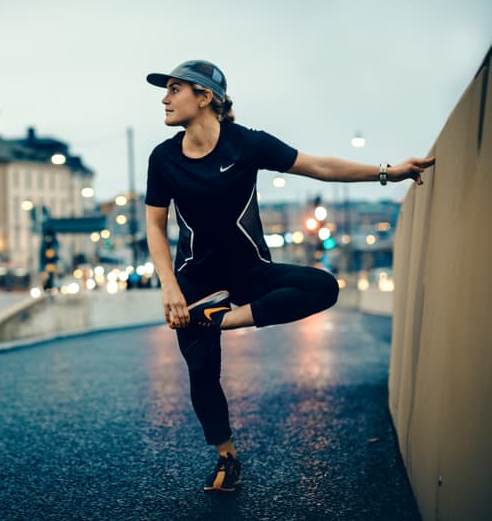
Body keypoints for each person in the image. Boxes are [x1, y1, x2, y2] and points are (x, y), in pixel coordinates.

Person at [144, 60, 435, 493]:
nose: (164, 99)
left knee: (322, 286)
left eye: (174, 89)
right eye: (164, 91)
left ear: (205, 97)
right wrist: (168, 285)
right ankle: (226, 457)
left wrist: (387, 173)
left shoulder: (247, 145)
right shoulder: (164, 158)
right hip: (195, 281)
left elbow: (319, 167)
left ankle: (220, 319)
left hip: (250, 271)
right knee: (202, 372)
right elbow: (154, 225)